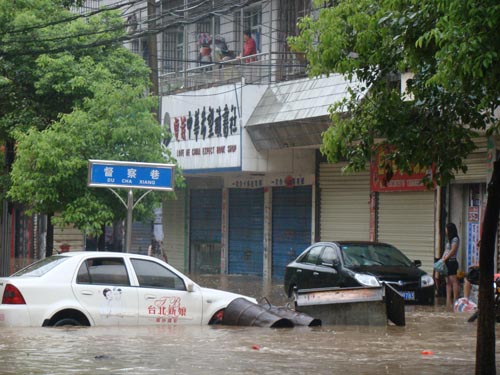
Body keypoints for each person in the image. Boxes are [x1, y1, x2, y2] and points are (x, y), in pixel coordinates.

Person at [441, 223, 460, 307]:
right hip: (446, 262)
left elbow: (453, 251)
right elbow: (446, 250)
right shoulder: (448, 239)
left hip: (452, 262)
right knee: (447, 282)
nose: (445, 231)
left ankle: (456, 300)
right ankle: (448, 302)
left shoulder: (455, 239)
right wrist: (442, 259)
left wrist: (446, 258)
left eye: (446, 229)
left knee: (454, 281)